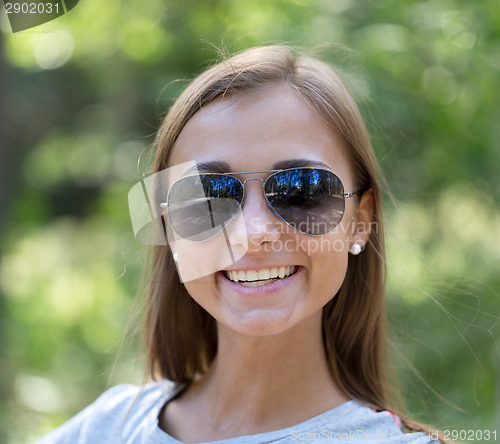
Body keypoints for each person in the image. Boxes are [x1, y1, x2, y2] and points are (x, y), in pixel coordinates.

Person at [37, 45, 450, 443]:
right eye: (208, 194)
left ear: (360, 222)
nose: (254, 232)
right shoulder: (108, 428)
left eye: (302, 190)